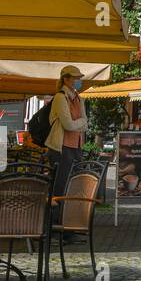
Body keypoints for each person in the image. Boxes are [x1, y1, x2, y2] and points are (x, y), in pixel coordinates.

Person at [46, 65, 89, 215]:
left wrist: (79, 123)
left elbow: (85, 124)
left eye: (79, 78)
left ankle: (69, 217)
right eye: (76, 78)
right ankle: (55, 219)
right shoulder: (60, 97)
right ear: (66, 79)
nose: (79, 81)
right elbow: (69, 125)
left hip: (76, 146)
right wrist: (80, 122)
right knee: (60, 185)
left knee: (74, 185)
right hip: (61, 147)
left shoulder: (78, 98)